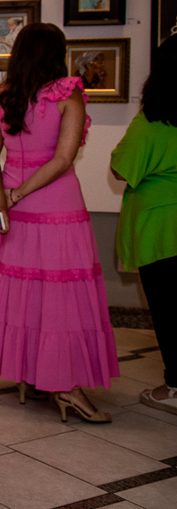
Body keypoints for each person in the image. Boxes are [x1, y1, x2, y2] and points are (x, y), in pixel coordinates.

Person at [0, 23, 119, 423]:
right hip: (58, 206)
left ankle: (33, 377)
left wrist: (2, 197)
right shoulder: (67, 93)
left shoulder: (0, 96)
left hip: (14, 207)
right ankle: (66, 386)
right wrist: (15, 196)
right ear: (57, 53)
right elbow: (63, 159)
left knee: (25, 295)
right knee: (62, 301)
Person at [110, 35, 177, 416]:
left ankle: (174, 386)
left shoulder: (154, 120)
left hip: (160, 227)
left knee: (168, 311)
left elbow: (121, 167)